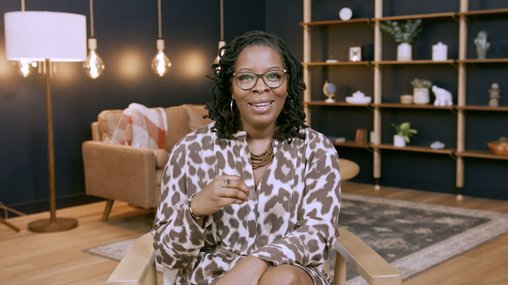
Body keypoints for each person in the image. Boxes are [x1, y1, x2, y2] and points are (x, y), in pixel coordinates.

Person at [152, 30, 341, 285]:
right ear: (230, 86)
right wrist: (196, 208)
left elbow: (318, 234)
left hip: (291, 274)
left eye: (273, 76)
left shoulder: (317, 150)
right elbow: (167, 256)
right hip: (211, 278)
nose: (261, 87)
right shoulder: (190, 151)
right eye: (246, 77)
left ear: (288, 84)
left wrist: (257, 261)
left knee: (282, 279)